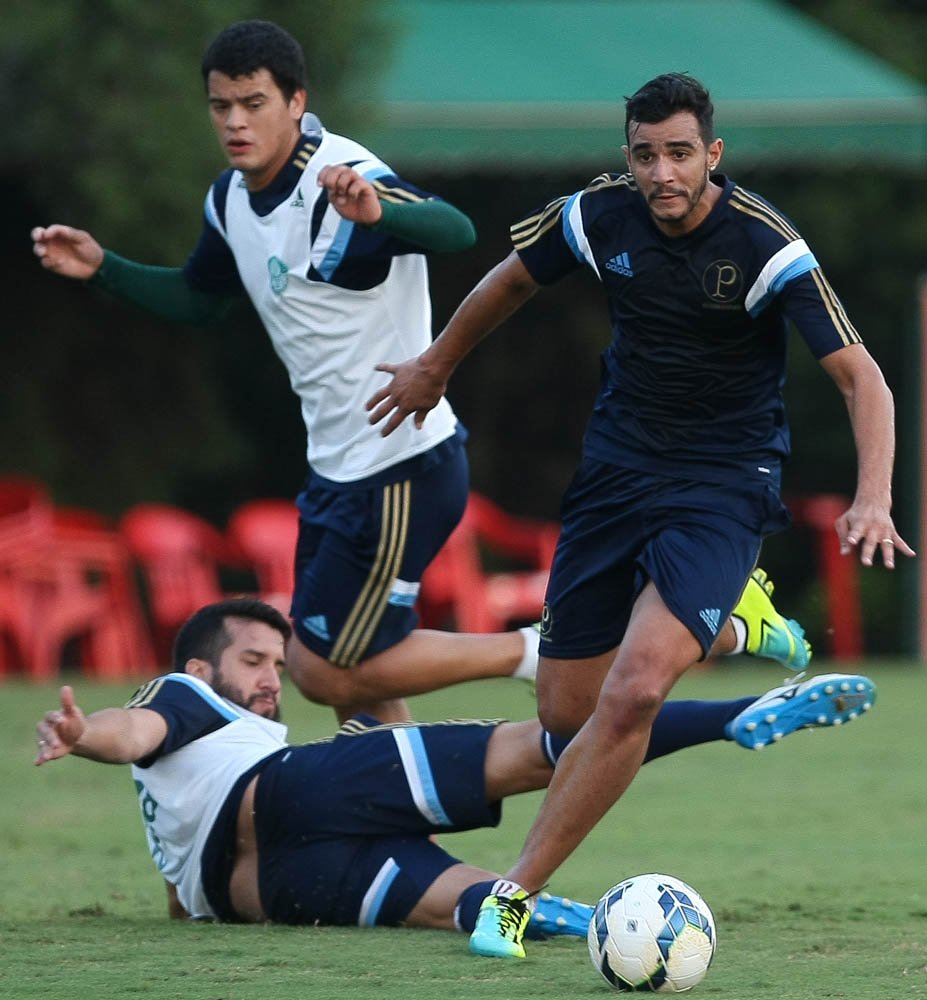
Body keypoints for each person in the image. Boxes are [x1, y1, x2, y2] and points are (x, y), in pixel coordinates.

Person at [30, 26, 807, 727]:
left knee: (320, 670)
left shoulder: (339, 173)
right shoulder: (230, 198)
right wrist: (104, 270)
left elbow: (452, 228)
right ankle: (395, 835)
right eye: (220, 106)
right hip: (337, 468)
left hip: (397, 464)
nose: (234, 121)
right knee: (357, 685)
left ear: (296, 102)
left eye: (253, 103)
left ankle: (524, 653)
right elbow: (200, 302)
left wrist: (380, 216)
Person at [365, 72, 913, 957]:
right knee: (566, 717)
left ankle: (512, 893)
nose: (661, 172)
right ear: (627, 157)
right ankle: (739, 625)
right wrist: (435, 365)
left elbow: (862, 377)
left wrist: (874, 497)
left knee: (636, 692)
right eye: (644, 154)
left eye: (679, 154)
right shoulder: (594, 214)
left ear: (713, 156)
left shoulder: (765, 243)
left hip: (722, 482)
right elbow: (508, 282)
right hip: (615, 475)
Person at [34, 597, 874, 935]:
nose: (268, 681)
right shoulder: (183, 694)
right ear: (200, 668)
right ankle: (734, 716)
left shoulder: (180, 783)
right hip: (286, 797)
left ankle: (583, 926)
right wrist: (85, 734)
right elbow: (132, 730)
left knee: (474, 901)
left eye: (277, 668)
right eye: (255, 661)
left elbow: (182, 888)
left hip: (258, 895)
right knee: (538, 749)